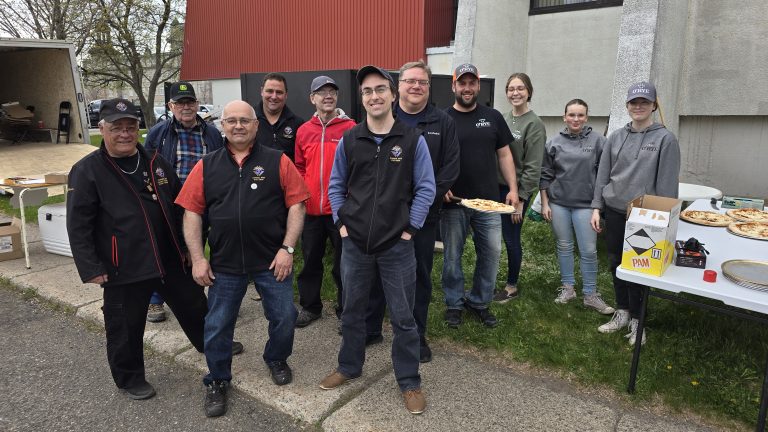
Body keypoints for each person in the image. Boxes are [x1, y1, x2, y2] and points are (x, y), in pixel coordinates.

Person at [66, 98, 209, 401]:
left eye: (130, 127)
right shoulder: (87, 171)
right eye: (116, 128)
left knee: (195, 304)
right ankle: (129, 378)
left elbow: (179, 207)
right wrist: (91, 267)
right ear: (102, 129)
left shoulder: (156, 162)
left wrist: (187, 247)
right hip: (123, 265)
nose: (124, 134)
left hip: (170, 257)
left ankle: (209, 343)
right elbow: (78, 225)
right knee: (125, 326)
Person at [176, 100, 309, 417]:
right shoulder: (206, 166)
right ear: (222, 125)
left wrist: (288, 249)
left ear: (256, 125)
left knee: (285, 317)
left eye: (245, 120)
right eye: (231, 120)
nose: (238, 126)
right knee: (217, 325)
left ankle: (276, 358)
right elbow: (192, 212)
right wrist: (198, 258)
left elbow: (297, 205)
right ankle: (217, 379)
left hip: (271, 260)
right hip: (225, 263)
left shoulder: (278, 161)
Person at [320, 65, 435, 415]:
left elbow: (426, 188)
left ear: (393, 94)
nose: (374, 96)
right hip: (355, 244)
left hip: (397, 246)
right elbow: (336, 185)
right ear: (362, 99)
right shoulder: (351, 139)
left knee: (403, 317)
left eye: (381, 89)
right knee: (352, 311)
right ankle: (349, 366)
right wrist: (342, 224)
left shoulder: (412, 140)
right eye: (368, 91)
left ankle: (409, 381)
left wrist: (409, 229)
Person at [365, 60, 460, 363]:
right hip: (382, 214)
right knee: (376, 272)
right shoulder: (385, 116)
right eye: (410, 81)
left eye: (422, 82)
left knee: (418, 275)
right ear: (398, 87)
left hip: (423, 217)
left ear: (429, 87)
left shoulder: (442, 122)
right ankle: (371, 327)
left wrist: (422, 203)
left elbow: (450, 168)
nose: (416, 86)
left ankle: (416, 335)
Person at [590, 82, 680, 345]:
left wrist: (664, 221)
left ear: (654, 106)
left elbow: (667, 185)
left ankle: (639, 320)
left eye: (644, 102)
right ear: (627, 106)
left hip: (645, 217)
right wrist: (596, 207)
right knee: (616, 263)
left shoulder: (665, 139)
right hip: (615, 211)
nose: (638, 106)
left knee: (639, 268)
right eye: (634, 102)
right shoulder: (616, 137)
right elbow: (603, 175)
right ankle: (622, 311)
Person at [442, 63, 519, 329]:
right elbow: (434, 157)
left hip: (488, 203)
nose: (467, 88)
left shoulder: (493, 117)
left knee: (492, 253)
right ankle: (454, 303)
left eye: (471, 83)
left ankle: (479, 301)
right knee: (452, 256)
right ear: (454, 86)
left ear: (478, 86)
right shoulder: (443, 119)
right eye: (462, 83)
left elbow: (505, 155)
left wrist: (513, 189)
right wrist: (441, 186)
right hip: (454, 202)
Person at [143, 81, 224, 323]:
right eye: (180, 103)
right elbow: (146, 167)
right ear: (171, 106)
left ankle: (196, 299)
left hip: (202, 204)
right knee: (164, 251)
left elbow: (221, 165)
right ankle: (155, 300)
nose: (185, 107)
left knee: (197, 249)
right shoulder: (159, 133)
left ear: (197, 104)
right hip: (170, 203)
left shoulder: (212, 133)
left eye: (189, 102)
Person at [539, 99, 614, 314]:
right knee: (564, 246)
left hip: (586, 206)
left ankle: (590, 294)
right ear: (564, 117)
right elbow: (545, 174)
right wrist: (545, 203)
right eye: (571, 115)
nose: (576, 119)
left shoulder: (599, 141)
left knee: (588, 250)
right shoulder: (554, 143)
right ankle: (568, 288)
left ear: (586, 117)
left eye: (580, 115)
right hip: (559, 204)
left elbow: (604, 176)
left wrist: (597, 208)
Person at [293, 76, 355, 328]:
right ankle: (310, 307)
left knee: (344, 265)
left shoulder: (350, 128)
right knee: (310, 262)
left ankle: (346, 311)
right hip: (310, 211)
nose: (328, 96)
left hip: (340, 211)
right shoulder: (304, 130)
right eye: (322, 92)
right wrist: (304, 194)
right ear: (312, 98)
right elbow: (299, 166)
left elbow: (357, 168)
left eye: (332, 91)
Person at [493, 72, 547, 303]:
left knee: (511, 238)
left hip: (515, 192)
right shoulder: (502, 118)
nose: (515, 93)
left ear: (529, 92)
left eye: (520, 88)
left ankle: (511, 286)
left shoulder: (534, 124)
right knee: (492, 237)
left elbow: (534, 166)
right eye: (511, 89)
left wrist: (521, 199)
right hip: (494, 187)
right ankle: (490, 279)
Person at [255, 72, 304, 160]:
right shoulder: (249, 120)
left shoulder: (298, 124)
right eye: (270, 91)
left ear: (286, 95)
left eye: (279, 92)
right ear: (262, 91)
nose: (274, 97)